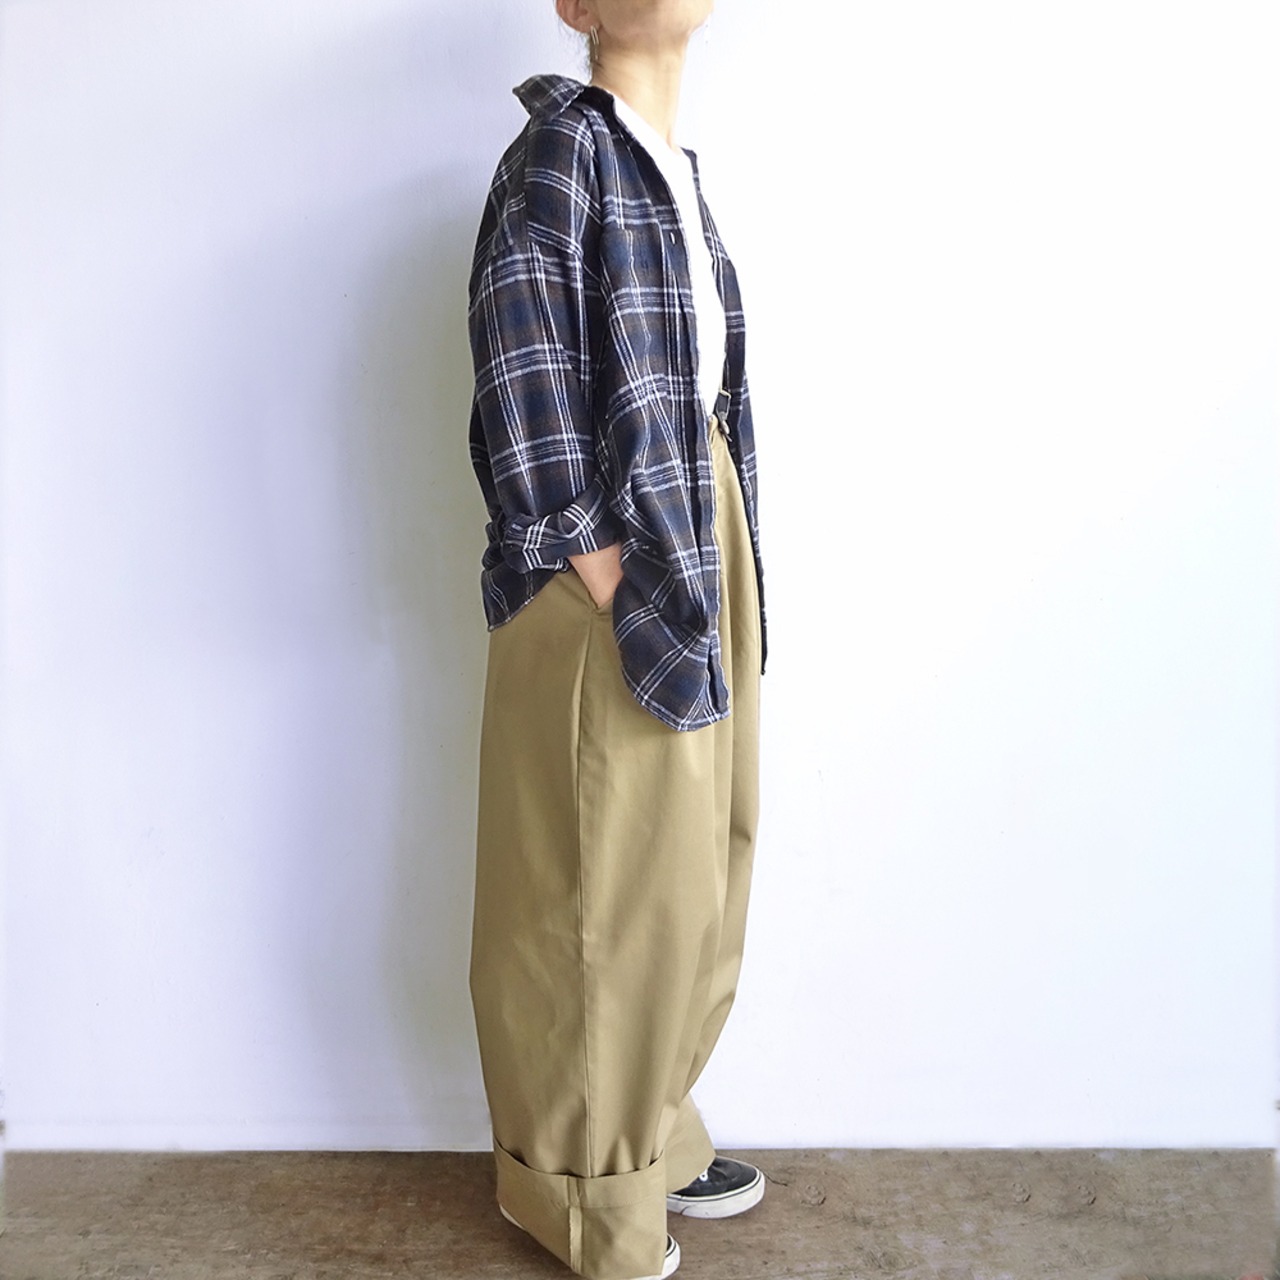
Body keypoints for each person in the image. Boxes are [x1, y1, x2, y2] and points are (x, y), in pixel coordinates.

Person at [465, 1, 766, 1276]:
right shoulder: (559, 150)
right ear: (574, 8)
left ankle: (649, 1134)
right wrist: (589, 554)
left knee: (691, 865)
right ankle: (581, 1195)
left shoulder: (670, 170)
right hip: (604, 560)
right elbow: (519, 349)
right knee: (593, 889)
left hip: (693, 537)